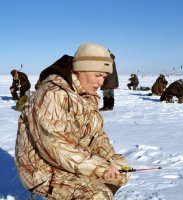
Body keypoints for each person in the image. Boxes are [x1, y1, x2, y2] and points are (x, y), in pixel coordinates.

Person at [15, 43, 131, 200]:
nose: (101, 82)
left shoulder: (87, 95)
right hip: (44, 169)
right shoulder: (52, 94)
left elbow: (96, 136)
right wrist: (101, 167)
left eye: (104, 76)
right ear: (80, 69)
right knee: (97, 196)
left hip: (73, 161)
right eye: (98, 75)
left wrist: (111, 161)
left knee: (121, 175)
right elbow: (56, 146)